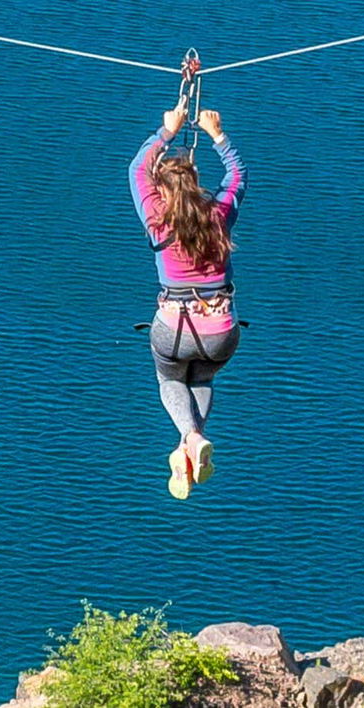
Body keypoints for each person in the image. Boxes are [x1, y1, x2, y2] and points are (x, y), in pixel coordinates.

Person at [128, 101, 247, 500]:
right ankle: (192, 443)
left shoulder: (158, 221)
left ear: (162, 191)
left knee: (169, 378)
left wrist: (167, 131)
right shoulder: (218, 216)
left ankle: (190, 435)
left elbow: (137, 170)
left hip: (174, 328)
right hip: (221, 330)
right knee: (203, 376)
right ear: (196, 183)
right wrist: (217, 135)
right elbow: (237, 177)